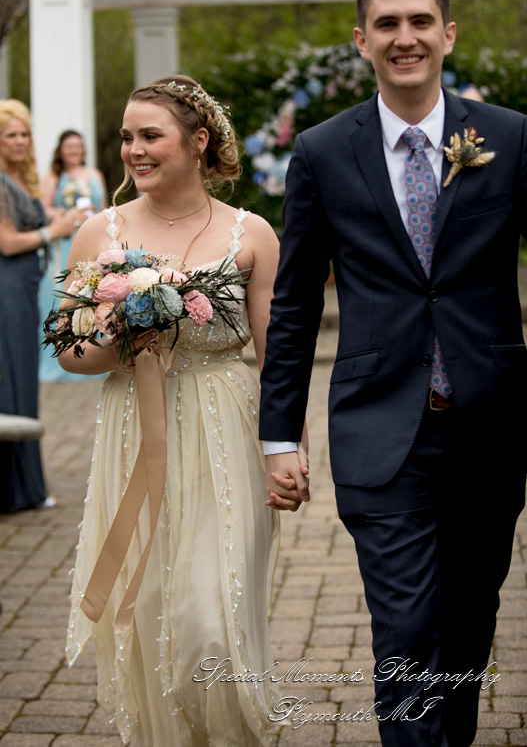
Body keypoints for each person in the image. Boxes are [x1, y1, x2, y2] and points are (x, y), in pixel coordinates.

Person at [259, 0, 527, 747]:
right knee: (407, 627)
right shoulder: (320, 150)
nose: (404, 37)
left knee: (472, 618)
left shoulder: (509, 138)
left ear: (448, 33)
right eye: (387, 24)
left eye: (419, 21)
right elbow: (298, 301)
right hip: (380, 428)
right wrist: (281, 435)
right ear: (362, 41)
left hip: (490, 423)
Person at [61, 75, 281, 747]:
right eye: (127, 137)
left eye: (150, 135)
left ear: (199, 141)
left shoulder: (254, 234)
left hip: (224, 427)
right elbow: (70, 351)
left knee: (212, 619)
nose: (134, 149)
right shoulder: (101, 231)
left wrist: (286, 451)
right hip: (134, 423)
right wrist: (119, 327)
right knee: (150, 607)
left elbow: (278, 358)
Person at [0, 100, 85, 512]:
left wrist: (59, 217)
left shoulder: (17, 179)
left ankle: (26, 486)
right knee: (10, 379)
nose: (19, 141)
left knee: (22, 380)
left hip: (23, 289)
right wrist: (55, 230)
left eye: (24, 133)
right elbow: (6, 241)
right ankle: (12, 488)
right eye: (10, 134)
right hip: (7, 289)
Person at [39, 129, 107, 381]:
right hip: (67, 242)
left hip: (91, 241)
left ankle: (92, 353)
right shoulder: (54, 177)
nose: (74, 150)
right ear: (61, 150)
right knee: (63, 294)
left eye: (78, 146)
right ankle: (57, 360)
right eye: (69, 146)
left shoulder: (94, 174)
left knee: (92, 293)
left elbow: (103, 209)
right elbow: (43, 208)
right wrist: (63, 216)